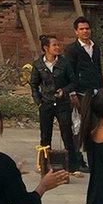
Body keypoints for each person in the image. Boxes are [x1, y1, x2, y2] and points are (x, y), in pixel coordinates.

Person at [30, 35, 84, 174]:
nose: (58, 48)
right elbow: (34, 85)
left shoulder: (64, 63)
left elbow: (73, 82)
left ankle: (72, 166)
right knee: (45, 135)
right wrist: (39, 101)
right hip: (46, 103)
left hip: (62, 103)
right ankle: (44, 165)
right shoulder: (38, 64)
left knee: (67, 133)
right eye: (54, 45)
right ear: (46, 48)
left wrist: (64, 90)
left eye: (58, 45)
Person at [64, 16, 103, 153]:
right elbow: (70, 72)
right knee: (79, 126)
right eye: (81, 29)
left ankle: (92, 153)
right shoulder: (72, 49)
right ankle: (76, 157)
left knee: (94, 124)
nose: (85, 31)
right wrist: (72, 92)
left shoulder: (95, 47)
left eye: (87, 28)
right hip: (80, 93)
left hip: (95, 91)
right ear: (76, 32)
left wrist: (101, 89)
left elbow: (98, 69)